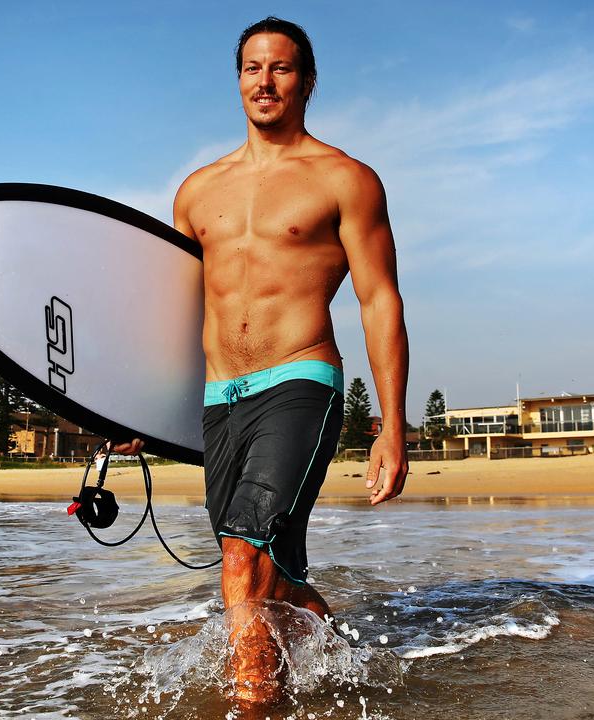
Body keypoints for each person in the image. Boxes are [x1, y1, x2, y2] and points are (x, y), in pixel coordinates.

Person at [112, 16, 409, 705]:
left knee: (242, 557)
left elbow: (379, 301)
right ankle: (329, 652)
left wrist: (392, 426)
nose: (264, 80)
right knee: (261, 568)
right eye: (252, 67)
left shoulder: (345, 179)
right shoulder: (195, 190)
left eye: (280, 68)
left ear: (307, 82)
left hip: (300, 379)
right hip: (219, 396)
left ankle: (255, 708)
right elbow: (172, 315)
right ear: (237, 79)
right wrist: (138, 410)